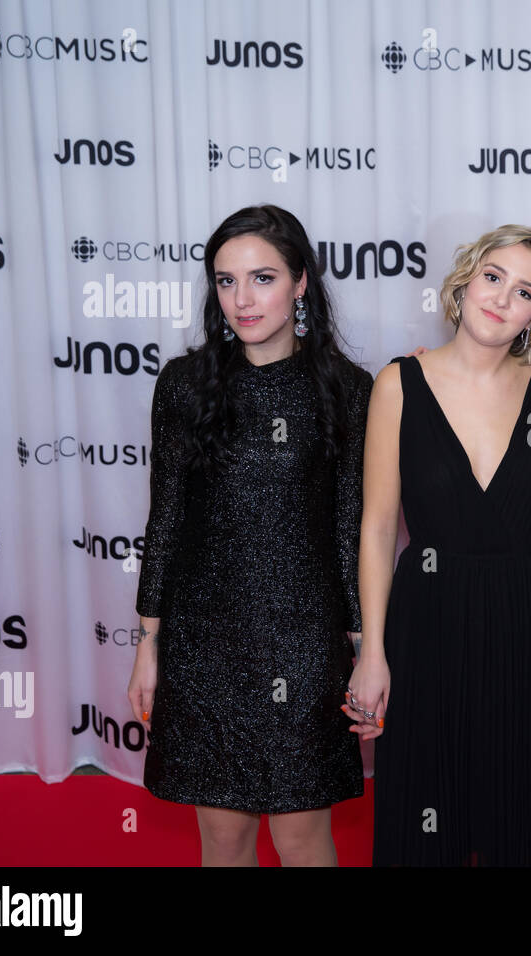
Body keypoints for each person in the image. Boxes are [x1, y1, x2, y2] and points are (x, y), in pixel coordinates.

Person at [127, 204, 371, 866]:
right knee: (225, 835)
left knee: (301, 835)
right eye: (227, 281)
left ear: (299, 283)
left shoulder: (347, 390)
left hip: (304, 641)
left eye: (262, 278)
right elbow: (167, 517)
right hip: (206, 640)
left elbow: (351, 531)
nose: (242, 298)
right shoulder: (185, 384)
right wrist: (148, 646)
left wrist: (364, 648)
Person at [346, 224, 531, 866]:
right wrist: (372, 652)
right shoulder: (398, 385)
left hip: (524, 618)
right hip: (427, 618)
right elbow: (376, 526)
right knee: (430, 811)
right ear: (465, 279)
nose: (502, 298)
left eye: (525, 291)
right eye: (494, 277)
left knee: (523, 809)